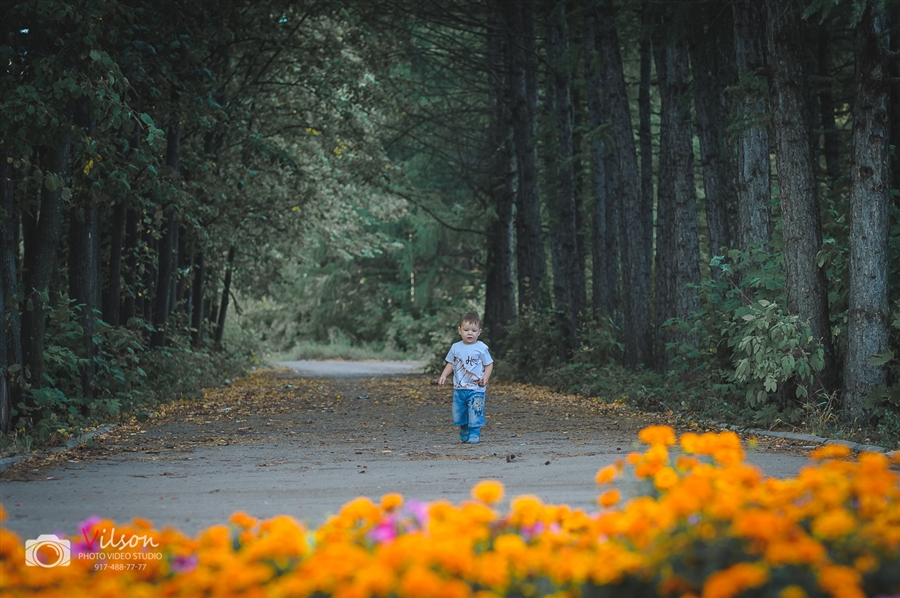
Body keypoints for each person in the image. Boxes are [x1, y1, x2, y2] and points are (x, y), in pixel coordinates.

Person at [438, 312, 494, 444]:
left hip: (476, 388)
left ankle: (475, 432)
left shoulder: (481, 348)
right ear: (459, 330)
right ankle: (464, 429)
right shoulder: (456, 347)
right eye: (466, 330)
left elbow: (489, 364)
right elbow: (451, 363)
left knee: (475, 410)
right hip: (459, 388)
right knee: (458, 412)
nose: (470, 333)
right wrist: (444, 375)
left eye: (474, 331)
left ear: (479, 332)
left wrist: (486, 377)